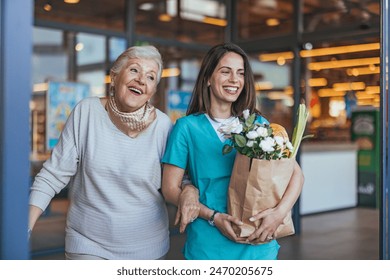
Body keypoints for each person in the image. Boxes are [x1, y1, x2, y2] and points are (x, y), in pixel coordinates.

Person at [161, 42, 304, 260]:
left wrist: (280, 213)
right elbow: (170, 188)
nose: (234, 80)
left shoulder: (258, 124)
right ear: (208, 78)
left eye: (240, 73)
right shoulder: (187, 127)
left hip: (258, 242)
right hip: (208, 243)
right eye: (225, 72)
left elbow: (296, 174)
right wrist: (212, 217)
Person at [29, 45, 173, 260]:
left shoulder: (163, 126)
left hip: (147, 249)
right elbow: (53, 174)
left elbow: (178, 180)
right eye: (134, 70)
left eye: (150, 77)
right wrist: (26, 225)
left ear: (152, 91)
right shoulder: (86, 112)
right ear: (114, 77)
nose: (142, 80)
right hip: (88, 244)